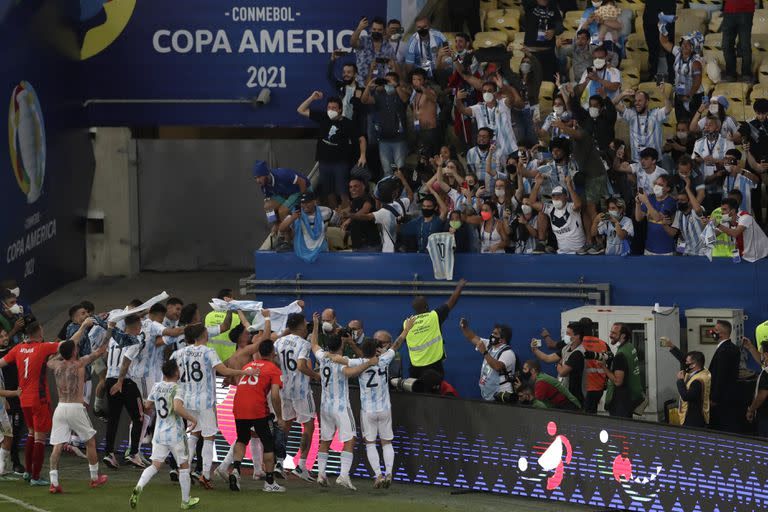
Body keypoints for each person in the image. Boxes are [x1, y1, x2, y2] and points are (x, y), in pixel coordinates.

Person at [330, 321, 412, 488]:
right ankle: (389, 472)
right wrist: (407, 329)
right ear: (376, 350)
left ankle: (378, 475)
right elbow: (397, 343)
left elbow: (338, 359)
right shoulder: (384, 360)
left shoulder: (357, 362)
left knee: (370, 443)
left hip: (368, 410)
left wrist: (328, 354)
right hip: (385, 409)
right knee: (386, 442)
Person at [171, 324, 251, 489]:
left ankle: (183, 470)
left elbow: (171, 373)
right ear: (202, 335)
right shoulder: (208, 352)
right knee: (208, 437)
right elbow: (224, 370)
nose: (208, 333)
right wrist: (244, 373)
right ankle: (206, 474)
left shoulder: (179, 353)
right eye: (206, 331)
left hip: (186, 398)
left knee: (193, 434)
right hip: (205, 400)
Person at [309, 312, 379, 490]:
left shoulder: (323, 356)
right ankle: (343, 475)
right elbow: (353, 371)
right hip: (340, 407)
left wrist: (316, 325)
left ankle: (321, 474)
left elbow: (314, 344)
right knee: (350, 439)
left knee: (325, 439)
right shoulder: (343, 362)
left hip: (325, 406)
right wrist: (368, 363)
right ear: (341, 345)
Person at [47, 320, 109, 493]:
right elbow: (100, 350)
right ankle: (95, 478)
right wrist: (110, 330)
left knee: (57, 445)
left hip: (60, 408)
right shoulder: (80, 363)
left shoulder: (55, 365)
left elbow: (53, 359)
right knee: (90, 441)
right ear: (74, 351)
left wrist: (63, 351)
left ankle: (54, 482)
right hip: (75, 407)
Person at [129, 359, 200, 511]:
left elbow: (147, 405)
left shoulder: (156, 386)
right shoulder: (178, 388)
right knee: (184, 466)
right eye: (178, 369)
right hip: (175, 434)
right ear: (175, 372)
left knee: (155, 466)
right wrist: (193, 419)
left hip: (159, 434)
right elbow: (177, 407)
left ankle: (139, 487)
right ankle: (185, 501)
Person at [0, 321, 66, 485]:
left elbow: (1, 363)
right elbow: (67, 344)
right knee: (40, 438)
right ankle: (35, 476)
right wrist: (84, 327)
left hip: (24, 400)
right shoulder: (42, 347)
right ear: (38, 332)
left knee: (31, 433)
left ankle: (28, 472)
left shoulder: (17, 349)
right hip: (39, 399)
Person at [227, 339, 287, 493]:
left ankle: (236, 470)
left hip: (238, 405)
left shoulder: (248, 365)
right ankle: (269, 482)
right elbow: (274, 395)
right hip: (257, 408)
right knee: (267, 442)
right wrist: (279, 417)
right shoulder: (274, 369)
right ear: (273, 353)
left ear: (259, 353)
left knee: (242, 439)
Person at [297, 91, 366, 208]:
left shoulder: (347, 123)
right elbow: (300, 110)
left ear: (340, 110)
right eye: (329, 107)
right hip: (324, 162)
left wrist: (363, 155)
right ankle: (335, 215)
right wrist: (312, 98)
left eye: (334, 108)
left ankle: (347, 215)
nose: (330, 110)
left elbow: (362, 139)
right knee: (329, 192)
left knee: (343, 191)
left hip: (340, 163)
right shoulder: (323, 117)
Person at [274, 313, 319, 482]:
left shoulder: (279, 342)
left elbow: (274, 361)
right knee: (308, 427)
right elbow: (301, 365)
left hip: (284, 389)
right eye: (305, 323)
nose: (307, 326)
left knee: (285, 425)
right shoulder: (304, 344)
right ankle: (301, 465)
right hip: (300, 391)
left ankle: (279, 462)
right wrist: (315, 375)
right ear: (300, 326)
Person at [404, 279, 466, 380]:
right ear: (427, 306)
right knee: (434, 394)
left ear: (414, 309)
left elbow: (401, 340)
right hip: (434, 367)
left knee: (415, 394)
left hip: (415, 367)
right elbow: (451, 302)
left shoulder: (407, 323)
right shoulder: (434, 316)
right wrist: (459, 287)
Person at [360, 72, 409, 174]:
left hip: (399, 139)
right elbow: (364, 100)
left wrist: (395, 85)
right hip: (383, 139)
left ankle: (400, 189)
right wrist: (368, 87)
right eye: (386, 81)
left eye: (390, 81)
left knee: (400, 170)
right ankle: (388, 189)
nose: (388, 83)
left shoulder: (400, 93)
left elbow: (405, 99)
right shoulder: (379, 95)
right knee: (387, 171)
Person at [459, 319, 517, 402]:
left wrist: (484, 351)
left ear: (502, 339)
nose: (492, 335)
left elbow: (497, 366)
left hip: (502, 396)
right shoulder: (489, 345)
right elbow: (472, 337)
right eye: (492, 332)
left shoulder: (508, 353)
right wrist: (464, 328)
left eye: (495, 334)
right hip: (489, 394)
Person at [279, 191, 341, 262]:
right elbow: (281, 228)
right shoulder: (296, 213)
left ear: (314, 202)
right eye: (303, 203)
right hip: (301, 254)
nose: (304, 205)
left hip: (322, 253)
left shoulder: (326, 211)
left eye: (307, 202)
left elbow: (337, 221)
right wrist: (292, 218)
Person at [530, 178, 587, 255]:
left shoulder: (571, 207)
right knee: (541, 212)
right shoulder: (550, 208)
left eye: (559, 195)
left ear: (566, 196)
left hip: (579, 252)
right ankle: (542, 243)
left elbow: (578, 204)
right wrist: (537, 184)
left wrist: (569, 186)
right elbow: (532, 203)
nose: (556, 198)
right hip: (562, 253)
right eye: (553, 196)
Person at [615, 88, 672, 162]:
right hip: (637, 161)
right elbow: (614, 103)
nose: (636, 103)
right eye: (635, 101)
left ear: (647, 102)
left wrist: (664, 93)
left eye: (640, 101)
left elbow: (668, 109)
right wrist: (623, 94)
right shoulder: (631, 114)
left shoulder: (656, 114)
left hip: (654, 162)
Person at [693, 116, 736, 213]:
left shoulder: (727, 142)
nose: (706, 128)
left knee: (720, 214)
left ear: (717, 128)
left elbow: (733, 162)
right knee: (705, 213)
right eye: (705, 125)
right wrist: (701, 159)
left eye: (709, 125)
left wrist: (716, 161)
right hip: (703, 186)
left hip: (721, 185)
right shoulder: (698, 143)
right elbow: (693, 161)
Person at [659, 30, 704, 120]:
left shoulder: (696, 62)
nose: (684, 45)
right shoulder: (678, 52)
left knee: (691, 124)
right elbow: (664, 42)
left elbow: (697, 83)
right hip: (680, 93)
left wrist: (688, 96)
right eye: (683, 43)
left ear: (693, 47)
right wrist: (662, 29)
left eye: (688, 44)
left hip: (694, 96)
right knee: (680, 121)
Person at [252, 160, 309, 229]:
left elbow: (302, 182)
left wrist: (304, 201)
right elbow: (268, 201)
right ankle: (277, 226)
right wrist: (274, 221)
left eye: (259, 177)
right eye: (256, 178)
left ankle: (289, 235)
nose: (257, 180)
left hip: (298, 190)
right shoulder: (263, 184)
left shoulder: (282, 175)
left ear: (266, 174)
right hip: (284, 193)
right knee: (267, 207)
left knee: (282, 211)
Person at [603, 323, 643, 418]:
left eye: (614, 333)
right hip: (630, 398)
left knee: (619, 431)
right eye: (611, 332)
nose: (610, 335)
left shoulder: (620, 355)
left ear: (623, 335)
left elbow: (618, 382)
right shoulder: (630, 347)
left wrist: (604, 368)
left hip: (621, 402)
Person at [708, 320, 741, 432]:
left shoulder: (724, 351)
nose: (712, 331)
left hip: (721, 399)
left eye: (715, 330)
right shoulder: (733, 348)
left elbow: (720, 376)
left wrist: (714, 398)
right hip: (730, 396)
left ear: (722, 333)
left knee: (720, 428)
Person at [714, 198, 768, 263]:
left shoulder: (745, 217)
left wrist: (718, 225)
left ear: (732, 211)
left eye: (724, 209)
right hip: (745, 256)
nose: (722, 212)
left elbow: (735, 233)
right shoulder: (726, 221)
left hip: (761, 256)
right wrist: (707, 224)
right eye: (721, 209)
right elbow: (714, 234)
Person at [635, 175, 677, 255]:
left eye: (660, 185)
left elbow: (657, 218)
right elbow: (638, 218)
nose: (656, 186)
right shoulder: (650, 198)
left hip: (666, 249)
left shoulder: (671, 201)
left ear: (668, 188)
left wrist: (646, 202)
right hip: (649, 247)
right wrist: (638, 203)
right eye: (656, 184)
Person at [523, 0, 564, 81]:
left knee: (548, 82)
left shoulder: (553, 7)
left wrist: (553, 31)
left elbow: (560, 28)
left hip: (548, 52)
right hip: (531, 51)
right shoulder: (529, 4)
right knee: (531, 82)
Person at [350, 16, 396, 85]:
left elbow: (393, 66)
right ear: (371, 29)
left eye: (379, 30)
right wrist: (359, 28)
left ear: (384, 31)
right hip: (361, 84)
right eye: (374, 29)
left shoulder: (388, 47)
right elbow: (353, 43)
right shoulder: (364, 40)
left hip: (380, 86)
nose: (376, 32)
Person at [671, 176, 707, 257]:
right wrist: (679, 251)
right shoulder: (679, 213)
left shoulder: (697, 210)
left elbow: (697, 209)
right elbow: (681, 235)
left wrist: (687, 188)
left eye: (682, 200)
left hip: (701, 254)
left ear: (690, 201)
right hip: (687, 254)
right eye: (678, 200)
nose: (679, 202)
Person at [409, 68, 441, 156]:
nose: (416, 82)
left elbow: (434, 98)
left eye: (419, 79)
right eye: (414, 79)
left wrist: (422, 87)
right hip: (419, 129)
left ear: (425, 80)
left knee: (431, 157)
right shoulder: (415, 94)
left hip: (430, 130)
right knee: (422, 157)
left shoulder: (430, 92)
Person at [721, 0, 755, 82]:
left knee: (745, 45)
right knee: (726, 45)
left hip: (746, 11)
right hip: (729, 11)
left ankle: (746, 74)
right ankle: (730, 74)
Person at [676, 351, 711, 428]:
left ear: (693, 364)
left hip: (693, 418)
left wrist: (680, 380)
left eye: (687, 362)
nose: (685, 363)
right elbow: (684, 360)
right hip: (696, 415)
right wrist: (672, 347)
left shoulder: (698, 380)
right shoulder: (704, 371)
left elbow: (686, 396)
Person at [643, 0, 676, 79]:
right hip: (650, 14)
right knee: (652, 48)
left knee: (668, 46)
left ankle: (672, 76)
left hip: (667, 11)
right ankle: (652, 74)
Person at [747, 345, 768, 437]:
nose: (760, 356)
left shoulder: (766, 373)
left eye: (761, 353)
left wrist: (751, 410)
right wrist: (750, 348)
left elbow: (762, 395)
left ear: (766, 355)